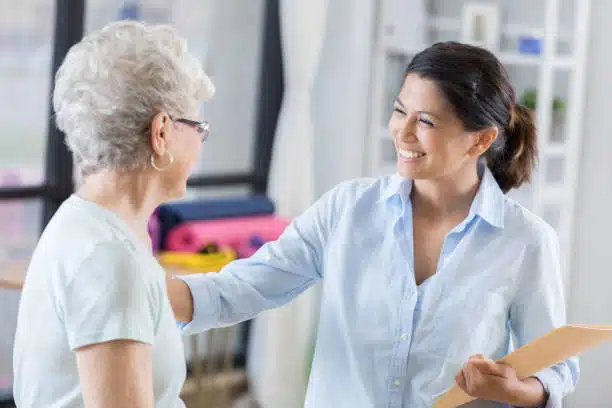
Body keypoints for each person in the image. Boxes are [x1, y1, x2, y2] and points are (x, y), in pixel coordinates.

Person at [167, 41, 579, 407]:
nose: (404, 132)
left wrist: (513, 390)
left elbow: (556, 371)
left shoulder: (525, 241)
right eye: (400, 111)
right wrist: (145, 290)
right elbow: (244, 287)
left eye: (428, 122)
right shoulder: (347, 210)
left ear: (480, 140)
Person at [13, 21, 214, 407]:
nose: (200, 144)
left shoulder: (95, 225)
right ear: (161, 133)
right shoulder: (109, 258)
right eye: (198, 128)